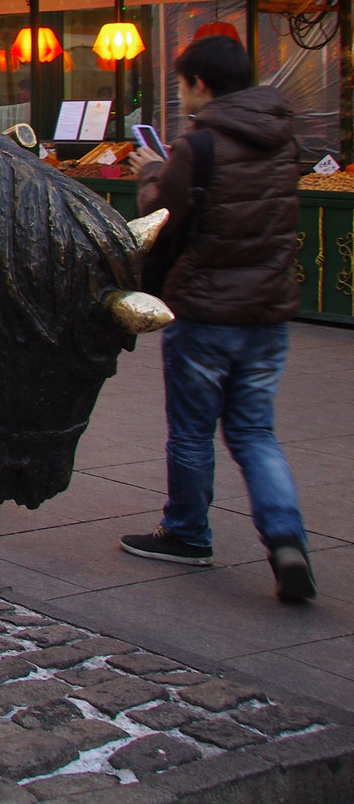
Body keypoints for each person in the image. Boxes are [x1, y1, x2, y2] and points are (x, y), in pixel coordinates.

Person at [123, 32, 314, 601]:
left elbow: (162, 216)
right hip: (267, 310)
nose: (182, 97)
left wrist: (150, 171)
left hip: (205, 311)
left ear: (200, 84)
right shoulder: (282, 137)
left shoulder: (199, 145)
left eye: (182, 85)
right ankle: (286, 539)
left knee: (191, 430)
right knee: (255, 431)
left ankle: (186, 532)